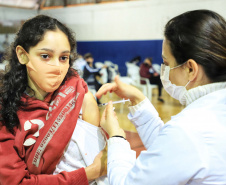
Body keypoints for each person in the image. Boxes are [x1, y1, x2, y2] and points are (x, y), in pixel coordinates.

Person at [96, 9, 226, 184]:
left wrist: (117, 138)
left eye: (166, 63)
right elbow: (169, 152)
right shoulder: (209, 116)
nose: (165, 72)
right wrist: (139, 100)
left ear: (190, 69)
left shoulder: (189, 129)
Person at [0, 15, 107, 185]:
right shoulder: (6, 111)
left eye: (63, 58)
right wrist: (88, 174)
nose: (57, 67)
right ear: (22, 55)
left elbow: (95, 154)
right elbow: (16, 182)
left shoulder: (77, 91)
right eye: (45, 56)